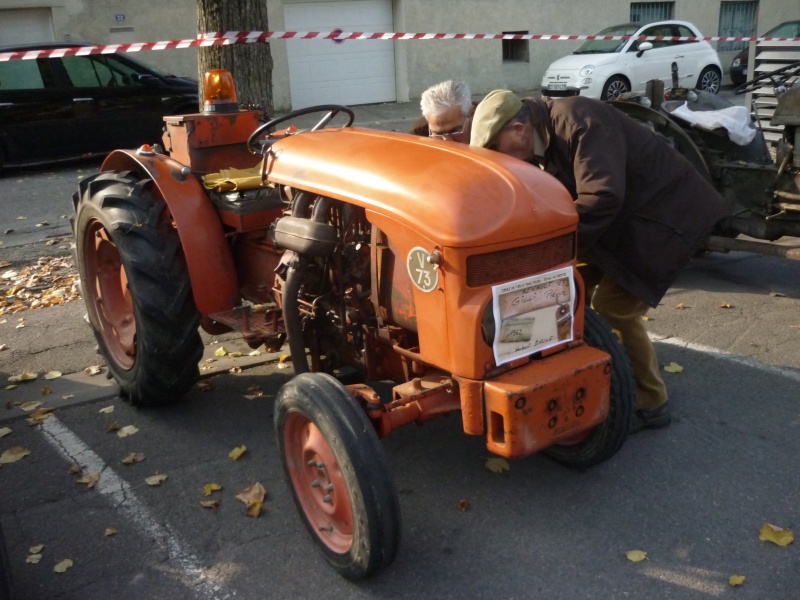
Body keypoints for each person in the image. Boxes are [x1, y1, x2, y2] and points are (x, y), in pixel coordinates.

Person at [470, 90, 727, 432]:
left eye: (494, 149)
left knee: (614, 306)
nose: (499, 160)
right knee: (563, 284)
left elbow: (601, 197)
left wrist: (552, 249)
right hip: (628, 221)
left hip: (667, 218)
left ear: (519, 130)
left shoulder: (579, 121)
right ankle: (590, 369)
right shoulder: (540, 135)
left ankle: (652, 401)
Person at [409, 80, 475, 143]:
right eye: (438, 134)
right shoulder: (417, 137)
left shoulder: (484, 129)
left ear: (472, 114)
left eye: (454, 131)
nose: (447, 141)